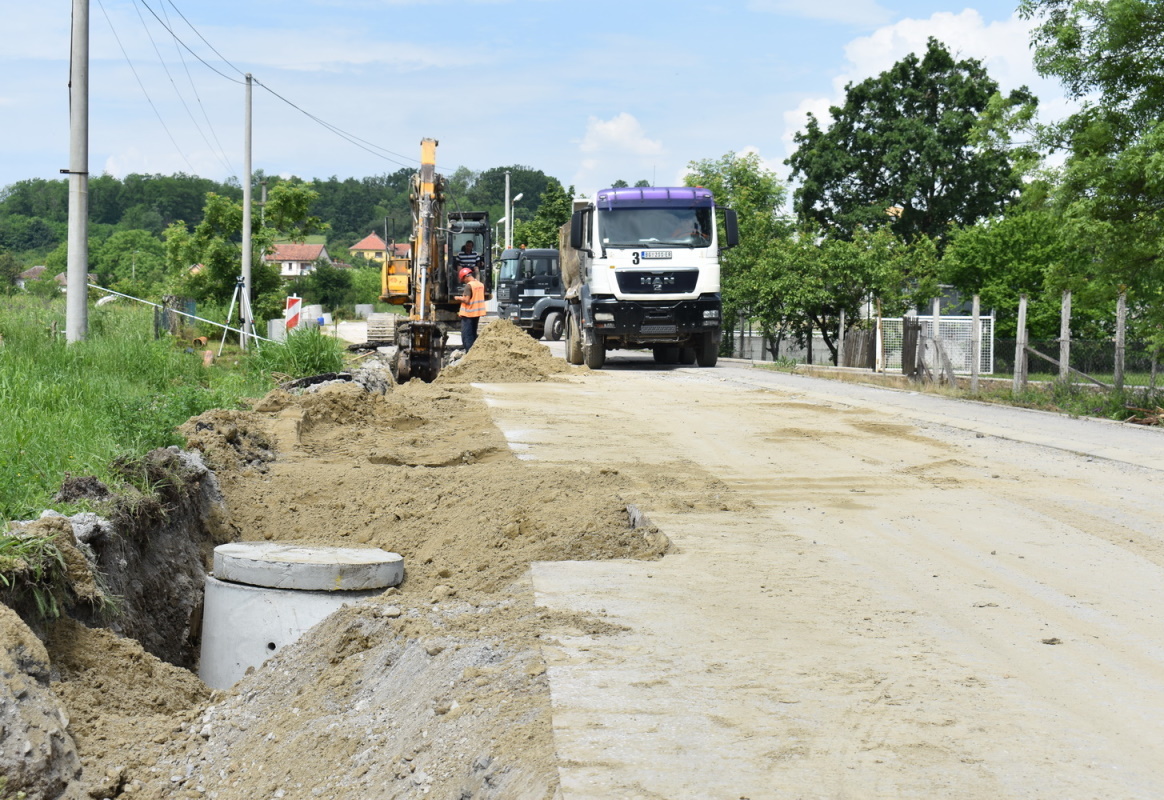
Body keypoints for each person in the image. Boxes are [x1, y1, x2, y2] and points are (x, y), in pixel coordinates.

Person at [457, 266, 486, 351]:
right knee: (473, 334)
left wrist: (457, 298)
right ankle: (473, 352)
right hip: (476, 314)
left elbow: (466, 300)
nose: (464, 281)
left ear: (466, 276)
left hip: (468, 314)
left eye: (463, 279)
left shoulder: (469, 286)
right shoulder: (480, 285)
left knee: (466, 336)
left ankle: (468, 353)